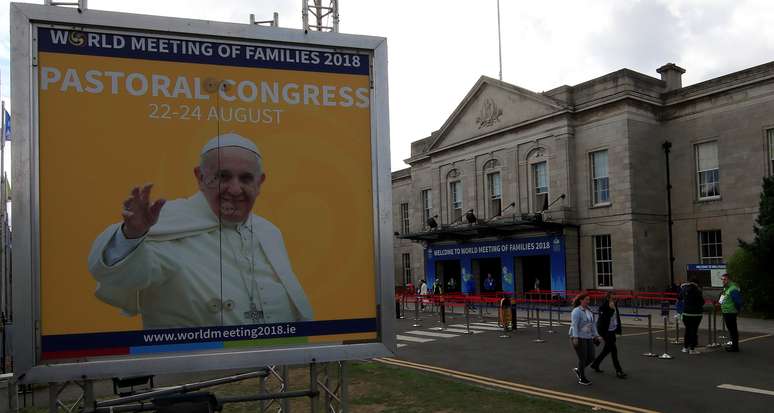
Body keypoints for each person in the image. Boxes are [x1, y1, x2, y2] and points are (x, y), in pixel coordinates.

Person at [88, 133, 313, 330]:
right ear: (200, 177)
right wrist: (132, 235)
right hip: (196, 372)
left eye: (246, 178)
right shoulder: (164, 224)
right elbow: (125, 274)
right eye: (223, 177)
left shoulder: (268, 232)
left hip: (277, 367)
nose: (235, 189)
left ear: (260, 182)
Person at [589, 292, 627, 378]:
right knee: (614, 351)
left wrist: (618, 329)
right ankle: (619, 371)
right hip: (606, 332)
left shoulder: (614, 305)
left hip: (612, 331)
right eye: (613, 299)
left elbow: (616, 319)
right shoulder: (603, 307)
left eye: (615, 299)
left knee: (606, 350)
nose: (614, 300)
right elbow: (602, 321)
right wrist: (600, 335)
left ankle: (595, 364)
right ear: (608, 298)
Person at [569, 292, 602, 385]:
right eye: (586, 299)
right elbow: (574, 325)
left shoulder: (589, 311)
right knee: (582, 358)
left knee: (591, 357)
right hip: (578, 336)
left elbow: (593, 325)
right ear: (581, 300)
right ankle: (582, 378)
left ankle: (579, 370)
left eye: (589, 299)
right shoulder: (576, 311)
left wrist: (596, 335)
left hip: (588, 336)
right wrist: (575, 337)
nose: (588, 301)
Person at [679, 278, 704, 354]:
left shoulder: (684, 289)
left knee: (687, 330)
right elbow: (701, 302)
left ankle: (685, 347)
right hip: (696, 314)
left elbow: (679, 297)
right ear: (696, 283)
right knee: (694, 330)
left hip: (686, 313)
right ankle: (692, 348)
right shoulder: (697, 291)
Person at [719, 273, 743, 352]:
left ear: (729, 279)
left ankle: (735, 347)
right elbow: (723, 299)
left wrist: (737, 310)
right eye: (722, 279)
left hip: (731, 312)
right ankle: (733, 345)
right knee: (731, 329)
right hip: (727, 312)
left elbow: (738, 301)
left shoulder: (733, 288)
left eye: (724, 279)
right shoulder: (726, 288)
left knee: (733, 329)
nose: (723, 281)